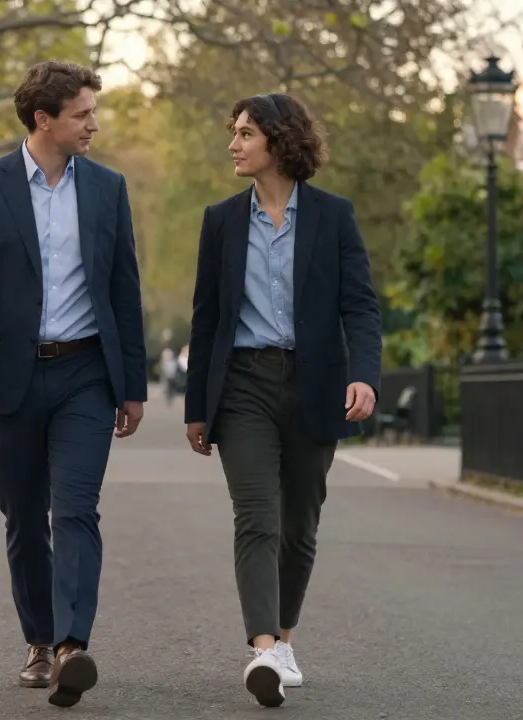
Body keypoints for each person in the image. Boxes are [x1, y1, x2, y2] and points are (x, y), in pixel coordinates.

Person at [0, 60, 147, 708]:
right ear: (43, 119)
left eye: (93, 112)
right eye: (82, 114)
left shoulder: (108, 188)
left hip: (87, 373)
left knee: (76, 508)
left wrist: (132, 385)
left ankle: (70, 647)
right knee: (25, 516)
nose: (93, 124)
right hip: (11, 378)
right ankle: (38, 638)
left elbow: (124, 289)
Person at [183, 92, 382, 708]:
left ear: (279, 140)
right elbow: (206, 318)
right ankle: (264, 649)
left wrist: (365, 376)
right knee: (257, 516)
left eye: (245, 133)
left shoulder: (332, 216)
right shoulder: (221, 220)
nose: (234, 144)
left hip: (315, 385)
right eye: (234, 132)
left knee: (299, 526)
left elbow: (360, 305)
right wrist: (197, 407)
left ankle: (285, 640)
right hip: (243, 385)